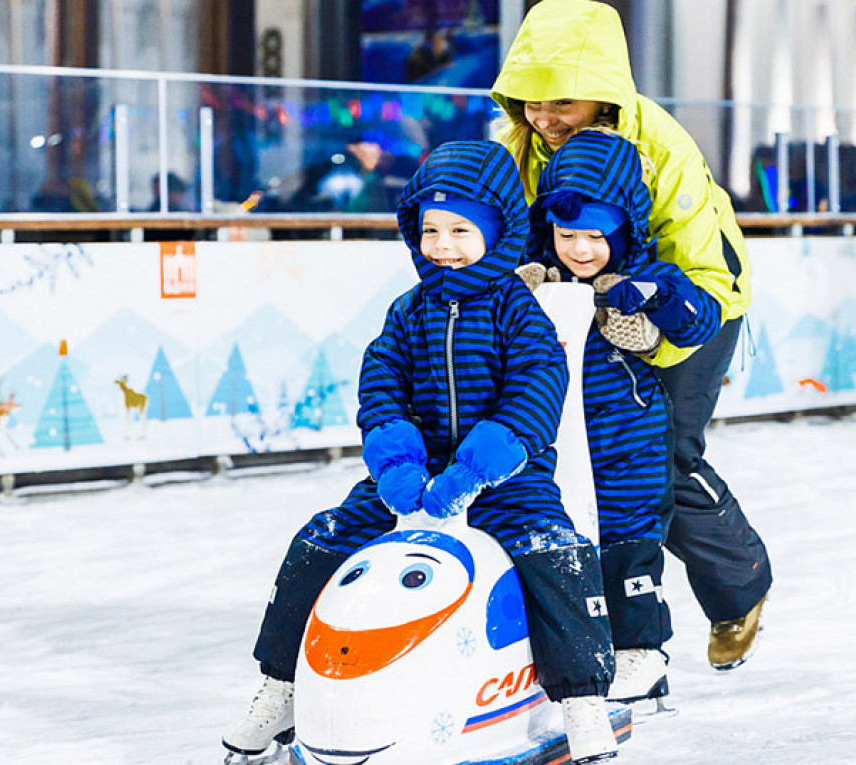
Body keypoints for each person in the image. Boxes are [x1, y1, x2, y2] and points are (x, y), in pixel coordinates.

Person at [223, 140, 621, 763]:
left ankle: (581, 699)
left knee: (556, 553)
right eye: (430, 229)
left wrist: (484, 462)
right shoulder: (407, 312)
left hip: (508, 481)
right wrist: (395, 461)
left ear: (500, 230)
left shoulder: (519, 313)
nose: (444, 245)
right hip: (411, 481)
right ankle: (281, 688)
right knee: (320, 538)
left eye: (462, 230)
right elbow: (380, 384)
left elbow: (539, 388)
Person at [491, 0, 772, 671]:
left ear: (605, 90)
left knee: (658, 456)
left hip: (692, 303)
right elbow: (496, 236)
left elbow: (703, 269)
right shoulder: (520, 145)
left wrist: (652, 334)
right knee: (563, 459)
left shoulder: (661, 148)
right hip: (582, 305)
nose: (543, 117)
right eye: (528, 101)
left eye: (560, 100)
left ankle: (740, 586)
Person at [519, 130, 722, 705]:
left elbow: (699, 320)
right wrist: (520, 289)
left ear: (625, 229)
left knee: (628, 551)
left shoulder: (648, 275)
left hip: (628, 449)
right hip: (560, 445)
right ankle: (567, 657)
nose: (580, 250)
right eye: (567, 234)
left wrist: (654, 294)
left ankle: (642, 655)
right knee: (562, 551)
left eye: (595, 236)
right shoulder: (542, 277)